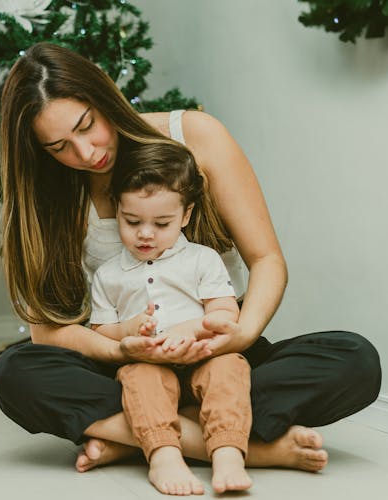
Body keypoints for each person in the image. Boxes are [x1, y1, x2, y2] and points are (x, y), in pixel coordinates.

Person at [0, 42, 381, 494]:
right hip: (129, 360)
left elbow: (267, 261)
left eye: (87, 126)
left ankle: (134, 436)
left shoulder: (194, 135)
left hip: (217, 352)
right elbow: (48, 332)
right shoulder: (48, 194)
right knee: (15, 372)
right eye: (59, 147)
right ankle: (233, 445)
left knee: (356, 360)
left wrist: (241, 333)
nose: (86, 152)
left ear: (103, 97)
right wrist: (123, 350)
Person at [90, 140, 251, 494]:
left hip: (202, 356)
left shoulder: (201, 259)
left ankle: (227, 451)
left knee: (230, 369)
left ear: (186, 215)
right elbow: (100, 331)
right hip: (148, 360)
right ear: (118, 210)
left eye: (162, 223)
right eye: (132, 221)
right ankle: (163, 454)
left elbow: (226, 311)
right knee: (139, 378)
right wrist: (127, 332)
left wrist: (192, 329)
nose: (145, 233)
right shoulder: (109, 275)